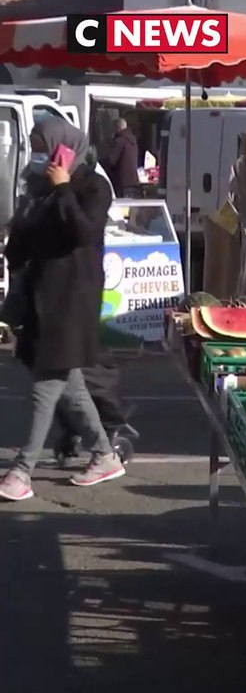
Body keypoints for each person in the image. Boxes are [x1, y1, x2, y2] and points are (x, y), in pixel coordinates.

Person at [0, 118, 125, 501]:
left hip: (71, 301)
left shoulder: (93, 187)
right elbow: (22, 241)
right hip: (39, 296)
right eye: (36, 149)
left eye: (44, 148)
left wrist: (63, 188)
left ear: (66, 148)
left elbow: (83, 232)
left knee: (46, 385)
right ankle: (104, 454)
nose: (39, 157)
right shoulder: (38, 187)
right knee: (70, 384)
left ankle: (22, 471)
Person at [104, 118, 140, 197]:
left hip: (123, 182)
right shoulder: (133, 140)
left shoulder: (120, 141)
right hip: (133, 181)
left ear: (118, 128)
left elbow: (111, 160)